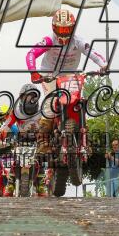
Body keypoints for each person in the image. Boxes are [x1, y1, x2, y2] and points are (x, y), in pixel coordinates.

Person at [26, 8, 108, 140]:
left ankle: (83, 131)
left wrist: (103, 65)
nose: (64, 33)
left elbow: (92, 53)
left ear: (73, 28)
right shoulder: (49, 40)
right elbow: (31, 53)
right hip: (49, 74)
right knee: (50, 106)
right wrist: (33, 72)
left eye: (67, 29)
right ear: (54, 28)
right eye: (61, 30)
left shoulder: (78, 41)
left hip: (69, 74)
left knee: (77, 100)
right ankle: (43, 141)